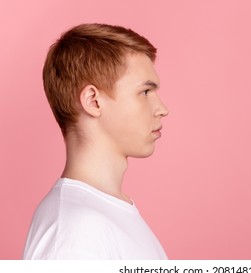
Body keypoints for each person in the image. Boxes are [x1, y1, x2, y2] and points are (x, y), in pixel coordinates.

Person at [23, 23, 169, 259]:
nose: (162, 109)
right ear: (93, 101)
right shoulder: (76, 232)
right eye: (145, 92)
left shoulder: (102, 214)